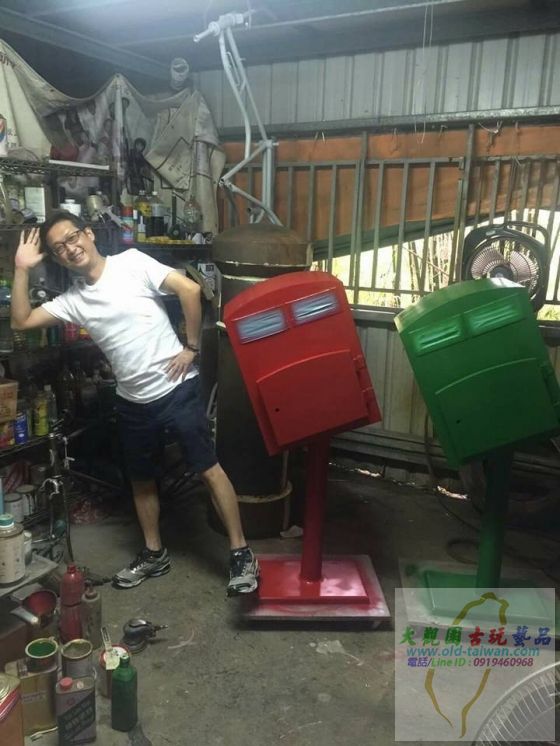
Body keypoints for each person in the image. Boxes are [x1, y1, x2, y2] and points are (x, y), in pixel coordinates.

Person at [11, 213, 259, 595]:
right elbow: (21, 321)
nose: (70, 248)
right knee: (141, 480)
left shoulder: (131, 263)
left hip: (176, 389)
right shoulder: (74, 300)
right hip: (132, 402)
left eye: (73, 237)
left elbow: (189, 290)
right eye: (59, 248)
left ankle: (241, 553)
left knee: (208, 469)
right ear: (58, 258)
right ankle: (154, 553)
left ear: (89, 234)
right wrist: (21, 268)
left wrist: (191, 348)